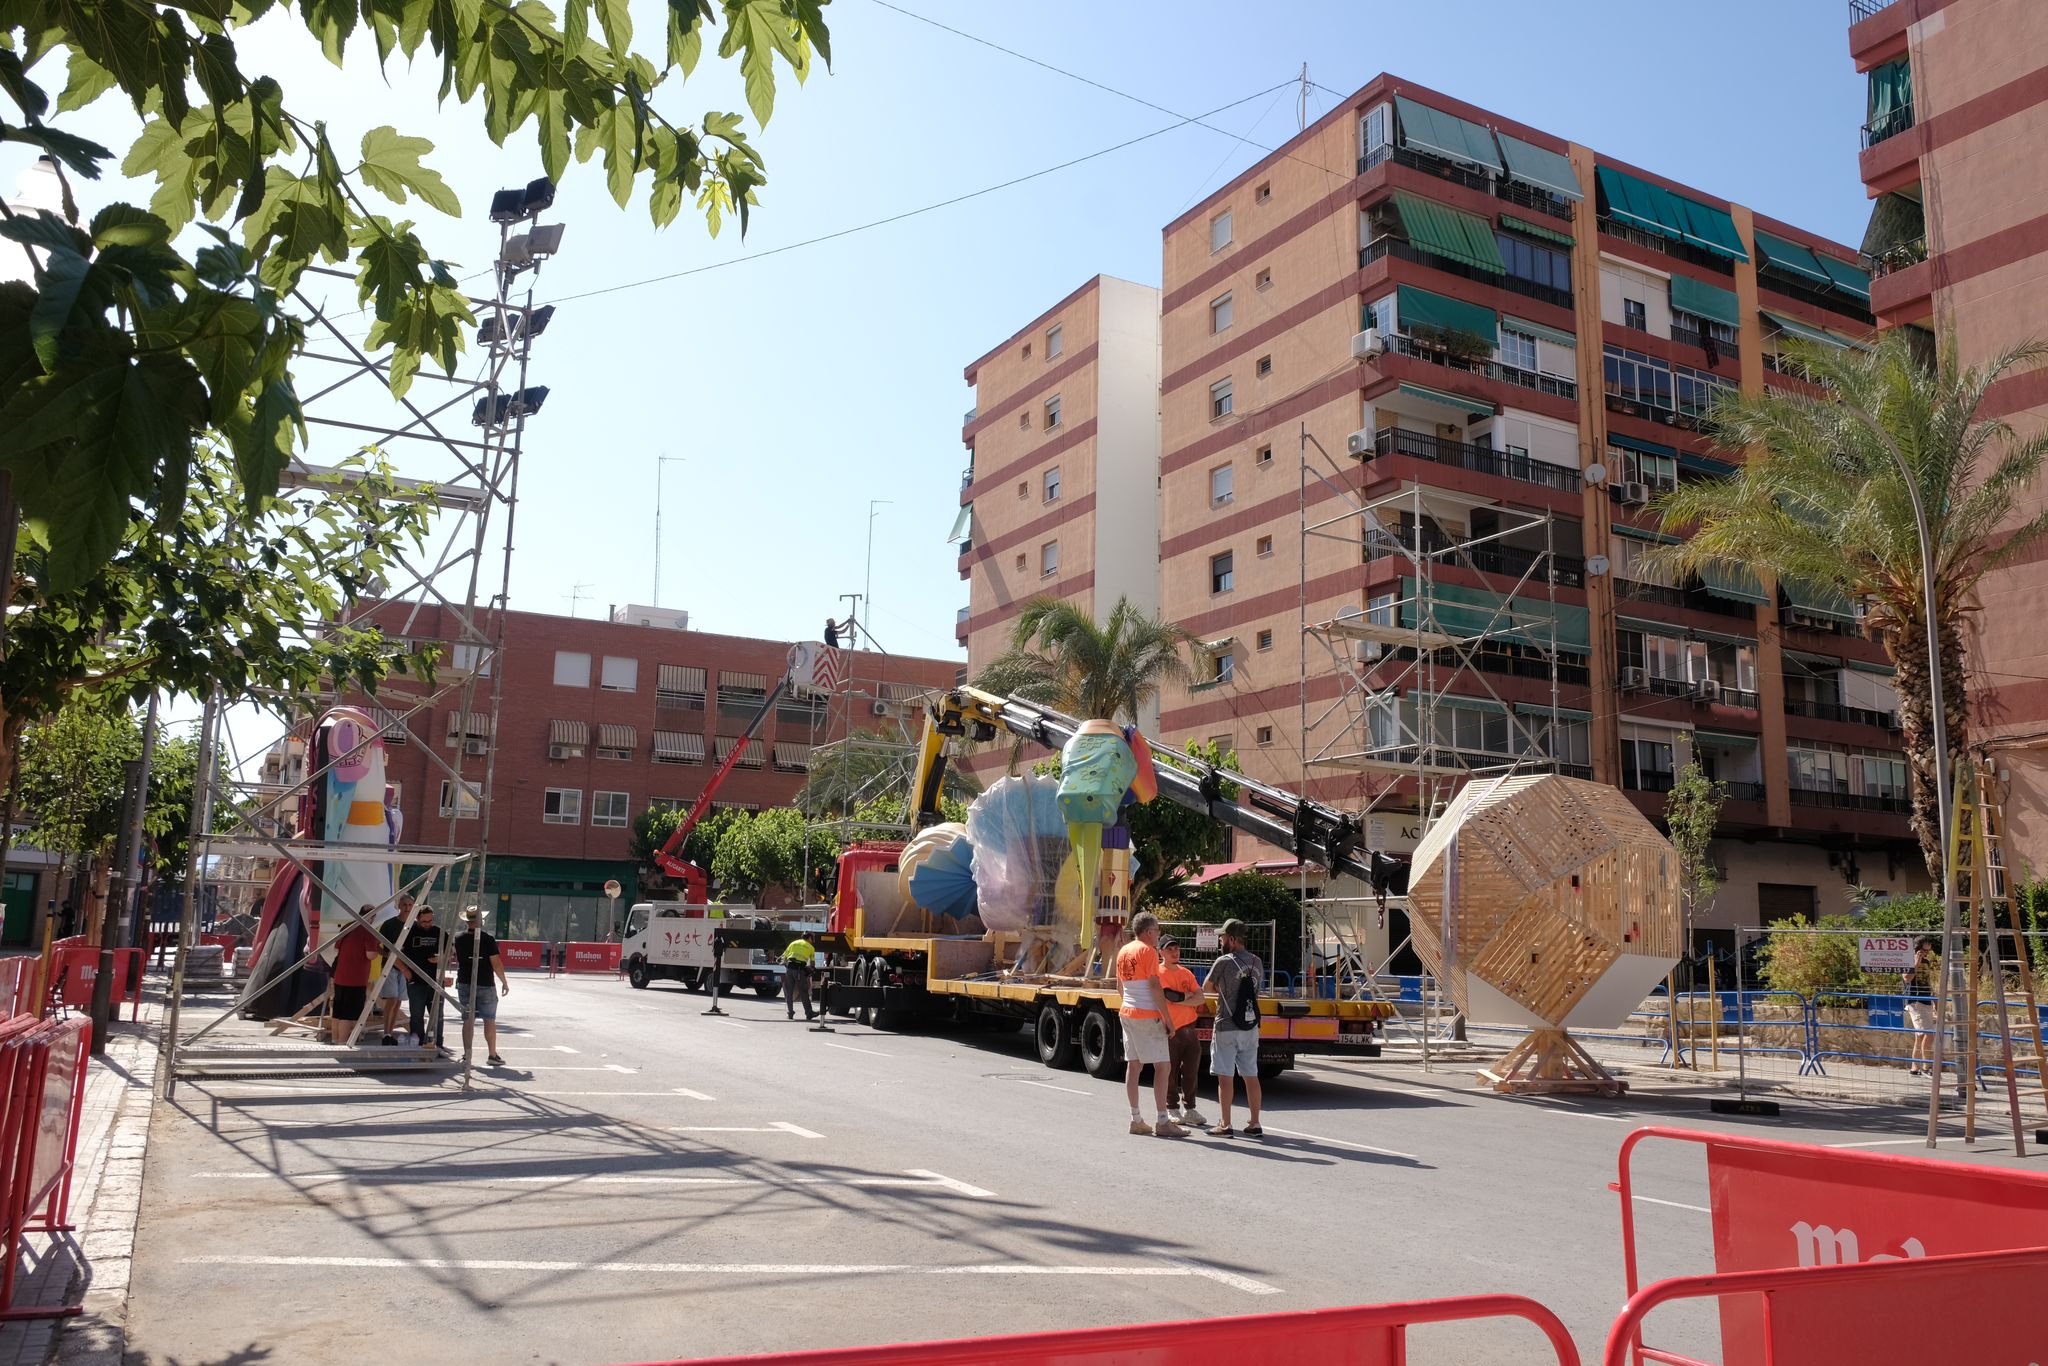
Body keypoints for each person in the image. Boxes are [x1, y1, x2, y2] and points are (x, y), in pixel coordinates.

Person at [1114, 912, 1186, 1137]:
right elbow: (1155, 987)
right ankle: (1163, 1121)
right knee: (1163, 1066)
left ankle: (1136, 1119)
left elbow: (1120, 987)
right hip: (1146, 1014)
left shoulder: (1124, 951)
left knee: (1133, 1066)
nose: (1158, 935)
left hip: (1127, 1011)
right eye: (1156, 931)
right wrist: (1167, 1019)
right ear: (1147, 932)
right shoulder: (1148, 952)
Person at [1201, 918, 1265, 1138]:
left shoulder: (1224, 962)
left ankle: (1225, 1124)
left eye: (1222, 937)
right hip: (1250, 1026)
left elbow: (1206, 988)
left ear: (1232, 939)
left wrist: (1220, 987)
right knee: (1251, 1075)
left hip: (1226, 1025)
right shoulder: (1257, 962)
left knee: (1225, 1076)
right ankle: (1255, 1123)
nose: (1220, 941)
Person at [448, 906, 510, 1066]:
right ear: (480, 920)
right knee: (489, 1020)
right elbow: (496, 963)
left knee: (468, 1020)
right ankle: (492, 1054)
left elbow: (451, 957)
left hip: (464, 982)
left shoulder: (458, 938)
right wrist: (504, 981)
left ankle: (467, 1054)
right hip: (485, 982)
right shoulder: (488, 939)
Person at [1157, 936, 1207, 1128]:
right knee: (1170, 1070)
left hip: (1189, 1028)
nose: (1174, 952)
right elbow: (1168, 995)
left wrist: (1181, 998)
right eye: (1170, 949)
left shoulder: (1186, 973)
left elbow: (1200, 998)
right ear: (1161, 952)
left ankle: (1190, 1108)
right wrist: (1187, 997)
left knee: (1191, 1069)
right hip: (1169, 1028)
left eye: (1176, 948)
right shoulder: (1158, 972)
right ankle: (1171, 1107)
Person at [327, 906, 379, 1045]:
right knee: (348, 1014)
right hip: (356, 979)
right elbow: (371, 955)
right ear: (372, 916)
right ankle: (343, 1043)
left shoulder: (347, 927)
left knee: (338, 1011)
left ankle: (335, 1039)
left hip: (340, 976)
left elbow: (336, 948)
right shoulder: (369, 932)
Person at [403, 904, 447, 1047]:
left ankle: (437, 1044)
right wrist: (405, 971)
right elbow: (396, 953)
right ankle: (417, 1044)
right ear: (417, 919)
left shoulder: (440, 933)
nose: (428, 924)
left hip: (436, 981)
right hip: (416, 981)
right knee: (416, 1015)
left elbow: (450, 954)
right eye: (424, 922)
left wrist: (441, 958)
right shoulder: (409, 932)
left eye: (430, 921)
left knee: (437, 1016)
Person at [373, 900, 408, 1045]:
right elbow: (376, 945)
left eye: (410, 905)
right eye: (404, 904)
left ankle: (390, 1033)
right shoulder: (389, 924)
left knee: (398, 1002)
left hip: (406, 967)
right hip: (390, 967)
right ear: (398, 906)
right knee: (392, 999)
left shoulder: (414, 924)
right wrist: (388, 955)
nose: (407, 908)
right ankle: (386, 1033)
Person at [1907, 937, 1939, 1076]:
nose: (1926, 953)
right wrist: (1916, 962)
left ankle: (1914, 1068)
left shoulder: (1927, 962)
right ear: (1917, 948)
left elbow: (1928, 982)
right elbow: (1907, 978)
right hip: (1915, 1001)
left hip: (1926, 1000)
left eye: (1928, 950)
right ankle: (1927, 1067)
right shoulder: (1908, 960)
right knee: (1929, 1034)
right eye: (1924, 950)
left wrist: (1935, 1001)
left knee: (1920, 1036)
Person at [782, 933, 818, 1021]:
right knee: (803, 992)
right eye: (812, 938)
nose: (813, 940)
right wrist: (811, 970)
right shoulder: (810, 947)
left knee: (789, 992)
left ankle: (790, 1013)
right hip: (799, 970)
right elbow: (812, 964)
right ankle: (809, 1013)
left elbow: (784, 958)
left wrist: (788, 966)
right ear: (809, 938)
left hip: (789, 969)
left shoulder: (793, 943)